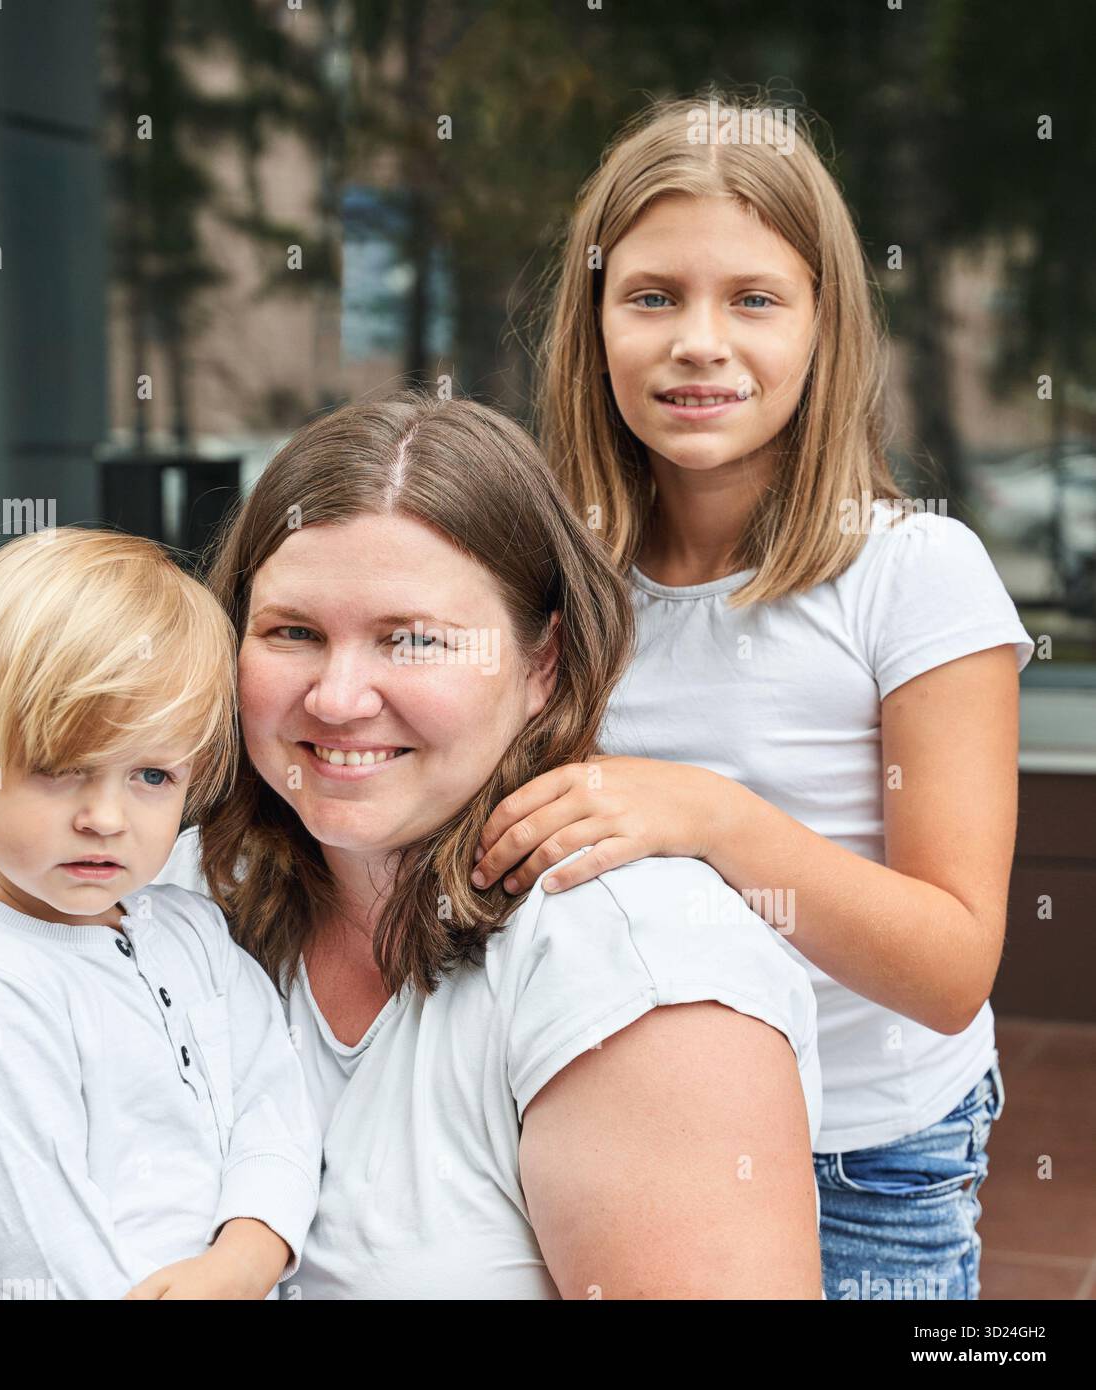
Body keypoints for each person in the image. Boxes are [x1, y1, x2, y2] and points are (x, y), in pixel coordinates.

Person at [473, 90, 1031, 1299]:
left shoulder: (914, 575)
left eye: (755, 299)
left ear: (824, 328)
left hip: (861, 1161)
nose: (699, 341)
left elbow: (948, 968)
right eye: (653, 296)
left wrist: (711, 819)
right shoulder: (549, 577)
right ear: (594, 321)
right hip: (597, 1128)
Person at [156, 389, 824, 1298]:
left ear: (541, 663)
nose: (339, 697)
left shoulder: (640, 971)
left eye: (414, 640)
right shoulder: (173, 888)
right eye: (293, 633)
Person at [0, 527, 321, 1300]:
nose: (105, 817)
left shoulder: (190, 930)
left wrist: (248, 1252)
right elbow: (44, 1243)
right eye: (61, 769)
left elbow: (274, 1096)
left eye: (151, 774)